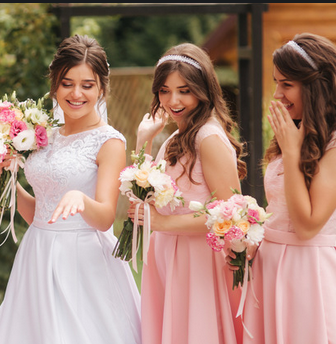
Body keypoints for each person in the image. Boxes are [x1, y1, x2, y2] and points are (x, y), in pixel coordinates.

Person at [0, 34, 141, 344]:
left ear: (102, 89)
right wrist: (7, 180)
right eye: (67, 83)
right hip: (37, 252)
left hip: (83, 262)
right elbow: (38, 213)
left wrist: (80, 199)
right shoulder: (43, 135)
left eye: (87, 85)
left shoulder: (109, 141)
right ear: (54, 85)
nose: (76, 93)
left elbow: (106, 217)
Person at [237, 32, 336, 343]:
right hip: (269, 268)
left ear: (317, 86)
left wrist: (293, 152)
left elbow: (308, 224)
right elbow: (280, 210)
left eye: (286, 84)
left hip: (306, 275)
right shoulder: (296, 131)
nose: (277, 94)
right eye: (276, 83)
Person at [131, 43, 247, 344]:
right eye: (165, 91)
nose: (173, 100)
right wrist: (143, 140)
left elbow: (231, 213)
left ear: (202, 89)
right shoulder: (177, 136)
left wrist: (162, 223)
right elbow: (143, 195)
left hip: (196, 260)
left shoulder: (207, 137)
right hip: (167, 255)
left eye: (184, 90)